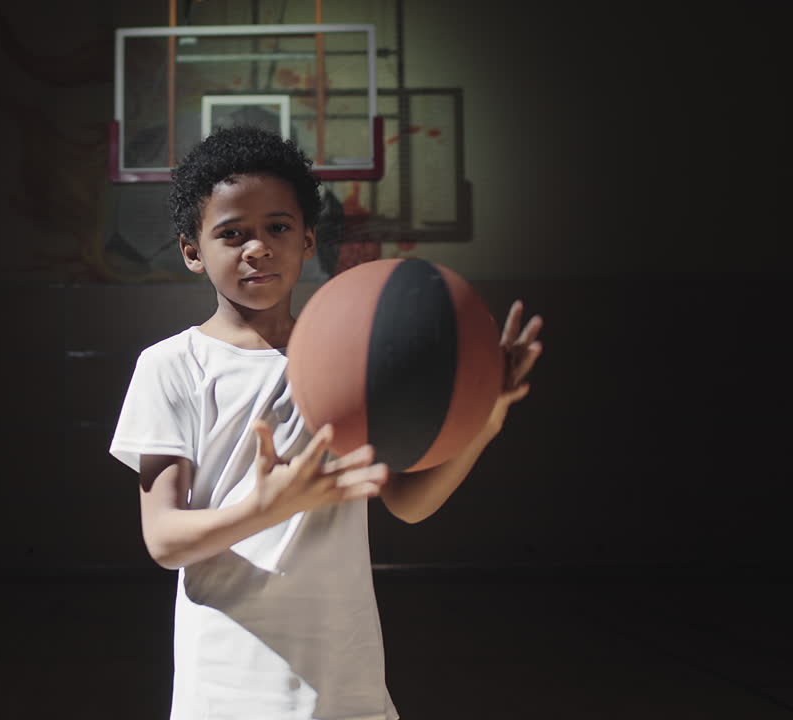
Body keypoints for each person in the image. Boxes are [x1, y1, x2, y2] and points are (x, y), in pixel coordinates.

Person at [109, 126, 543, 720]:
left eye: (277, 228)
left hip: (348, 687)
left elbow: (409, 504)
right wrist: (265, 508)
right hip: (229, 689)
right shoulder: (172, 366)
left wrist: (489, 414)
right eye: (231, 234)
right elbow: (162, 539)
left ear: (308, 239)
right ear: (192, 251)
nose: (256, 248)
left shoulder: (354, 358)